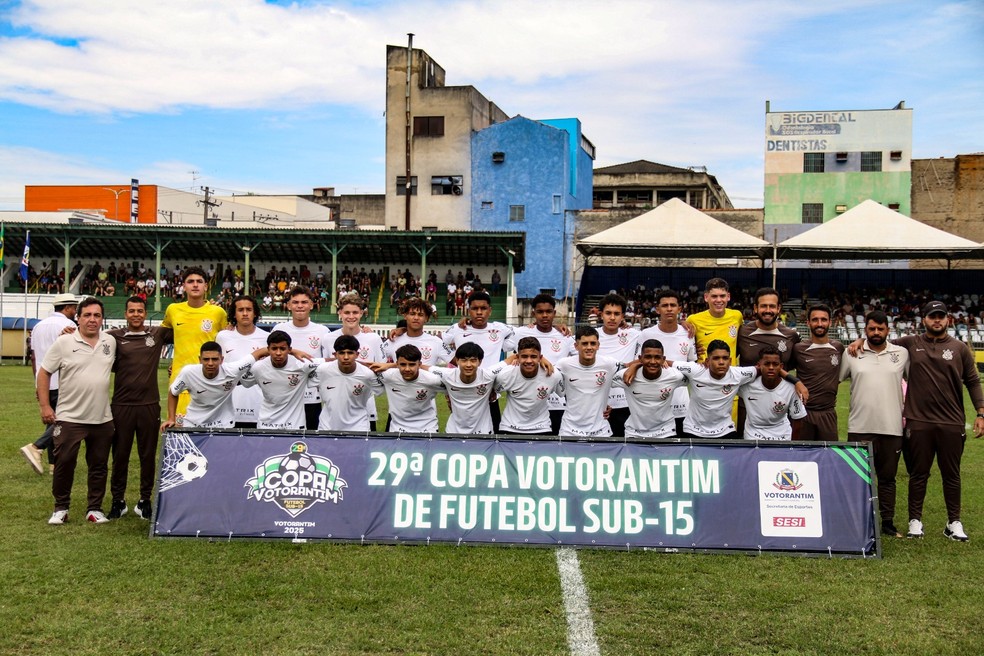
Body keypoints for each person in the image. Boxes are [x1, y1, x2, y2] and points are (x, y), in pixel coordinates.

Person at [892, 301, 983, 541]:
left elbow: (973, 381)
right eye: (932, 316)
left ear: (947, 319)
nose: (937, 320)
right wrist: (859, 342)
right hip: (918, 421)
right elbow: (879, 342)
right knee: (918, 474)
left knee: (951, 475)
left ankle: (954, 522)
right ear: (924, 319)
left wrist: (981, 413)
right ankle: (915, 521)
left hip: (951, 422)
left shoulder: (959, 348)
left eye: (941, 316)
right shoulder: (911, 343)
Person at [37, 297, 117, 525]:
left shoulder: (110, 342)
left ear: (102, 319)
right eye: (87, 315)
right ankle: (61, 508)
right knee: (64, 463)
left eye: (97, 315)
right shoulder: (64, 342)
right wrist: (45, 406)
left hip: (102, 418)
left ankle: (94, 509)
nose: (92, 319)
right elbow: (44, 373)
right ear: (78, 318)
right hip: (69, 417)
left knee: (99, 465)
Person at [839, 310, 909, 538]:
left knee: (887, 478)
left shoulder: (901, 354)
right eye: (871, 329)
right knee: (858, 479)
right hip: (859, 427)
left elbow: (916, 382)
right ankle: (858, 521)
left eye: (880, 329)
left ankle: (887, 523)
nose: (876, 332)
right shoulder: (851, 353)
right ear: (865, 330)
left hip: (892, 428)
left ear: (888, 330)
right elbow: (835, 379)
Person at [105, 296, 173, 520]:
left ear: (146, 313)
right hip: (122, 406)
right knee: (120, 455)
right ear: (125, 314)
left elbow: (189, 332)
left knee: (147, 456)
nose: (136, 314)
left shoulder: (157, 334)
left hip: (149, 406)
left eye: (140, 311)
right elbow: (88, 337)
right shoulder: (113, 336)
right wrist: (69, 331)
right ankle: (118, 501)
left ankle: (145, 501)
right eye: (132, 311)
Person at [442, 291, 516, 432]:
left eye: (483, 308)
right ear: (468, 310)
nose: (479, 312)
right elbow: (441, 343)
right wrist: (455, 360)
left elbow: (520, 336)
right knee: (460, 433)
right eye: (475, 308)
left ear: (490, 310)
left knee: (494, 435)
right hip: (464, 393)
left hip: (490, 392)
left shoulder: (499, 329)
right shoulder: (457, 329)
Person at [21, 293, 78, 475]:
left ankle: (54, 464)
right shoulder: (69, 326)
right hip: (63, 381)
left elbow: (34, 357)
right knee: (65, 420)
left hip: (45, 381)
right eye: (74, 308)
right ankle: (36, 447)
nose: (75, 312)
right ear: (67, 308)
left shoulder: (38, 326)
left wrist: (38, 384)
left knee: (53, 422)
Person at [161, 267, 228, 420]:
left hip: (209, 380)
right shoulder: (173, 310)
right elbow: (164, 335)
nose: (195, 285)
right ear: (184, 286)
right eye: (190, 281)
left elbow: (227, 342)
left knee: (209, 430)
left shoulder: (218, 313)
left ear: (206, 286)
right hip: (180, 380)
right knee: (179, 428)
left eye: (199, 281)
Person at [161, 342, 261, 430]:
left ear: (222, 359)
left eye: (214, 359)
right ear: (200, 360)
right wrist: (171, 418)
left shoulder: (232, 370)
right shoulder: (188, 373)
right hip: (193, 424)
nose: (210, 363)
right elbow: (173, 392)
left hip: (223, 425)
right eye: (206, 359)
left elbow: (259, 353)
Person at [514, 293, 575, 434]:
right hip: (529, 401)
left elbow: (582, 357)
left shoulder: (565, 336)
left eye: (548, 311)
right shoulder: (521, 333)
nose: (545, 315)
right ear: (533, 313)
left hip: (557, 402)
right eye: (540, 312)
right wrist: (467, 322)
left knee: (557, 441)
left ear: (554, 313)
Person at [272, 286, 331, 429]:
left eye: (304, 302)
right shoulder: (279, 329)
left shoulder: (323, 331)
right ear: (289, 305)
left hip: (312, 398)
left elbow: (329, 362)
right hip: (284, 397)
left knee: (311, 438)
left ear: (311, 305)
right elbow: (269, 355)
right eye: (295, 302)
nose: (300, 306)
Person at [673, 340, 759, 440]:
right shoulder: (695, 370)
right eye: (716, 358)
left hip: (725, 430)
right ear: (707, 361)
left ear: (730, 361)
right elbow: (666, 362)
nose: (721, 362)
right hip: (693, 430)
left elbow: (761, 369)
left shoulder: (738, 374)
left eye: (725, 358)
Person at [639, 289, 697, 437]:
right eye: (665, 305)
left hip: (681, 404)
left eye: (673, 305)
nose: (669, 309)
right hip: (652, 403)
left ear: (679, 309)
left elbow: (693, 366)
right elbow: (638, 363)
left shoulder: (688, 334)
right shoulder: (646, 334)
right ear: (657, 309)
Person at [240, 331, 321, 431]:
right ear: (268, 349)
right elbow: (239, 380)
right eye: (274, 349)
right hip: (266, 425)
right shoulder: (258, 368)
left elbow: (330, 362)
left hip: (295, 425)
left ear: (289, 350)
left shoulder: (301, 365)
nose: (278, 353)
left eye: (282, 349)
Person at [327, 293, 386, 430]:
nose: (351, 316)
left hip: (365, 407)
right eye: (347, 312)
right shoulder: (328, 339)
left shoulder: (373, 339)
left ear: (361, 313)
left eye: (355, 312)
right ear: (340, 313)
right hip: (335, 407)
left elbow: (381, 370)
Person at [789, 304, 845, 441]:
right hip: (803, 412)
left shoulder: (838, 348)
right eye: (815, 320)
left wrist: (859, 341)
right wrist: (796, 382)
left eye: (823, 320)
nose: (819, 324)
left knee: (830, 452)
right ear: (808, 323)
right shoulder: (798, 349)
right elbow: (782, 369)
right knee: (800, 453)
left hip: (828, 413)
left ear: (830, 322)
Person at [613, 339, 688, 439]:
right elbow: (602, 383)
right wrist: (604, 405)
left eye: (657, 357)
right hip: (634, 433)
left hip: (665, 432)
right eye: (648, 357)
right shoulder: (626, 375)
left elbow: (697, 380)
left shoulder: (674, 376)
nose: (653, 362)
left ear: (663, 359)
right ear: (640, 358)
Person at [554, 327, 621, 438]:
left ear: (598, 345)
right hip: (569, 431)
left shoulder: (609, 364)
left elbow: (630, 367)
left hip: (601, 432)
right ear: (576, 346)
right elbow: (544, 372)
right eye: (584, 344)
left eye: (593, 343)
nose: (589, 347)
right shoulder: (564, 364)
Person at [215, 296, 269, 429]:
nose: (245, 313)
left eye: (249, 310)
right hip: (229, 407)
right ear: (234, 314)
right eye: (240, 310)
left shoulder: (266, 338)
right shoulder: (223, 337)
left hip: (259, 406)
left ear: (255, 313)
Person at [494, 337, 561, 435]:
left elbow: (563, 393)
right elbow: (494, 392)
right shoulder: (505, 375)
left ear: (540, 357)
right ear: (517, 357)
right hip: (510, 428)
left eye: (533, 356)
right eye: (524, 356)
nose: (529, 361)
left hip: (541, 428)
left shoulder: (553, 375)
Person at [315, 335, 383, 432]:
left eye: (350, 353)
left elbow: (381, 390)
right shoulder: (322, 370)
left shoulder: (368, 375)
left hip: (359, 427)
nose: (346, 357)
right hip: (327, 427)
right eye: (342, 353)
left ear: (357, 354)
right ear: (335, 355)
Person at [595, 293, 640, 437]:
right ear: (601, 315)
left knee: (625, 444)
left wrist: (685, 323)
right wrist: (559, 327)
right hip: (598, 404)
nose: (612, 317)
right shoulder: (590, 336)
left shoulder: (634, 335)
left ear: (622, 316)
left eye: (617, 314)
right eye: (608, 313)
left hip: (626, 403)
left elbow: (648, 354)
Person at [738, 347, 807, 441]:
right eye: (767, 364)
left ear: (781, 367)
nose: (771, 368)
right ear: (759, 365)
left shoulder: (792, 389)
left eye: (775, 364)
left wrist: (793, 445)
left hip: (782, 437)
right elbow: (728, 377)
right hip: (753, 435)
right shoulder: (747, 386)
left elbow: (798, 418)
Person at [373, 344, 446, 433]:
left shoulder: (432, 380)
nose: (407, 369)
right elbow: (365, 368)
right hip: (397, 428)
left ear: (419, 364)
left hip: (427, 428)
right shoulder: (388, 376)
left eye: (412, 365)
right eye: (403, 364)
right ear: (397, 364)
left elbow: (452, 388)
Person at [430, 343, 499, 435]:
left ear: (480, 362)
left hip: (483, 433)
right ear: (457, 361)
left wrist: (515, 358)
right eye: (464, 360)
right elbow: (423, 368)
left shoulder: (488, 375)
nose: (468, 365)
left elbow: (507, 362)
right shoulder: (448, 375)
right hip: (453, 432)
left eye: (473, 360)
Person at [686, 278, 743, 364]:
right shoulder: (693, 320)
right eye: (714, 296)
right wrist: (693, 350)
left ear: (728, 296)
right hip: (704, 371)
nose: (719, 300)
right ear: (706, 297)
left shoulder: (737, 316)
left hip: (730, 371)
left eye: (722, 296)